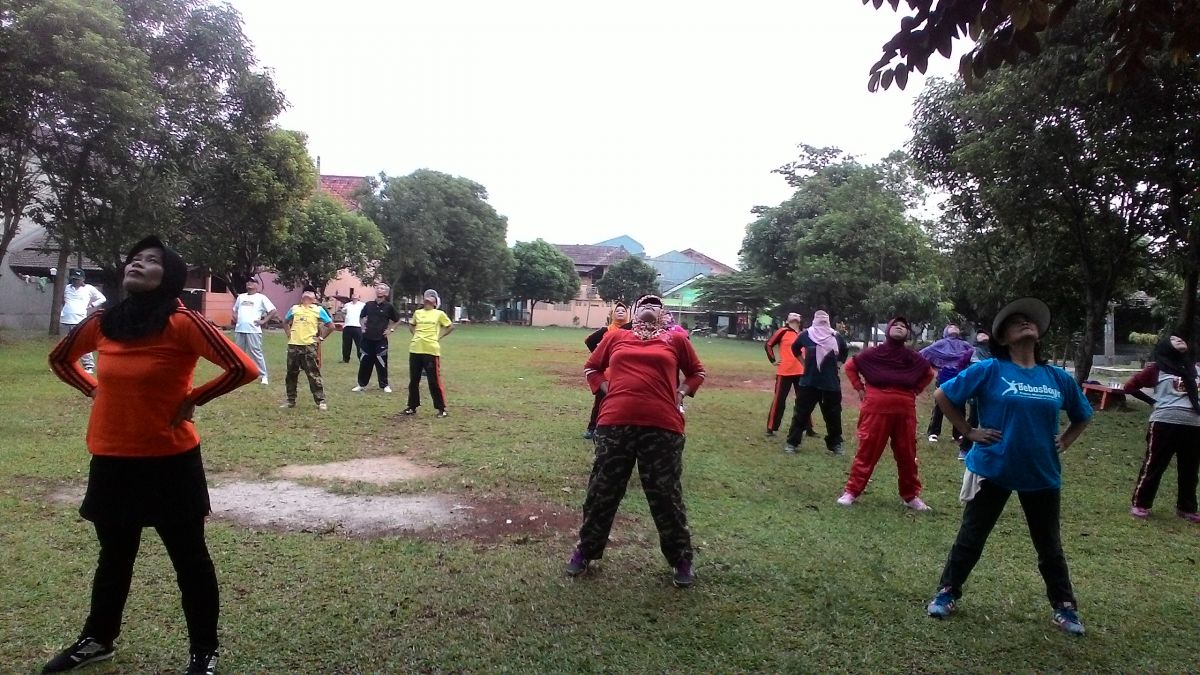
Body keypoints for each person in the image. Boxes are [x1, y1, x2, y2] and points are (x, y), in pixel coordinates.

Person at [45, 236, 258, 675]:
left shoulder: (183, 321)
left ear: (172, 276)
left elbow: (243, 368)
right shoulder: (105, 320)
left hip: (169, 461)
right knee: (114, 556)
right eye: (134, 259)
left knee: (190, 559)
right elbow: (61, 360)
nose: (137, 264)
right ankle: (98, 639)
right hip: (111, 457)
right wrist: (95, 389)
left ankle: (204, 652)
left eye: (151, 261)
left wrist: (194, 398)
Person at [925, 297, 1092, 636]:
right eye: (1016, 322)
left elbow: (1082, 414)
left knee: (1049, 545)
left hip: (1041, 472)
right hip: (992, 468)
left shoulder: (1056, 377)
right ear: (1002, 338)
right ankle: (947, 593)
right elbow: (943, 395)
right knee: (971, 537)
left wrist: (1066, 440)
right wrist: (969, 431)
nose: (1025, 323)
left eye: (1029, 321)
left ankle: (1065, 608)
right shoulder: (990, 369)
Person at [565, 294, 707, 587]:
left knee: (665, 494)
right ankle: (586, 551)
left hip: (663, 427)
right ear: (635, 312)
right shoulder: (617, 338)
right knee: (602, 490)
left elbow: (696, 372)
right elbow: (592, 367)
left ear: (662, 312)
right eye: (644, 305)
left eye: (655, 305)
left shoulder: (675, 340)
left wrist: (679, 394)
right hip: (614, 424)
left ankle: (681, 559)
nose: (649, 309)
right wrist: (609, 389)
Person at [839, 317, 934, 510]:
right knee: (867, 451)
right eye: (896, 325)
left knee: (907, 453)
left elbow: (929, 373)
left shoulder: (912, 357)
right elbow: (850, 367)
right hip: (876, 407)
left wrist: (915, 390)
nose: (900, 328)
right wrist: (859, 388)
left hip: (904, 409)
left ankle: (911, 496)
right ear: (888, 329)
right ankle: (852, 491)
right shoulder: (874, 353)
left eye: (904, 326)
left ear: (907, 333)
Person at [1121, 334, 1200, 523]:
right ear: (1165, 346)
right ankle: (1141, 504)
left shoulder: (1195, 370)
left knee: (1190, 469)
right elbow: (1130, 387)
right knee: (1154, 465)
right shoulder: (1157, 369)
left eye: (1182, 338)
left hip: (1194, 425)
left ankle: (1186, 508)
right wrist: (1152, 402)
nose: (1180, 339)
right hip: (1164, 423)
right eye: (1174, 339)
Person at [784, 310, 849, 455]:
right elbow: (795, 348)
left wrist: (838, 365)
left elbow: (844, 351)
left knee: (833, 415)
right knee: (801, 413)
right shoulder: (806, 335)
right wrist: (803, 363)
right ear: (814, 320)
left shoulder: (835, 336)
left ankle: (836, 444)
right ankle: (792, 442)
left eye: (824, 321)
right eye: (819, 321)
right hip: (809, 382)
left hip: (830, 383)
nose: (822, 324)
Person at [764, 313, 816, 438]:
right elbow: (768, 344)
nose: (794, 318)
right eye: (792, 316)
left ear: (800, 320)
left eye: (797, 316)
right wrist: (773, 360)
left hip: (801, 372)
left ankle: (809, 428)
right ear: (787, 320)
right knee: (779, 400)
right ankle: (771, 428)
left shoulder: (804, 333)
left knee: (803, 401)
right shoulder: (782, 331)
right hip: (784, 371)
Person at [920, 325, 974, 443]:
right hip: (944, 376)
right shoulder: (940, 344)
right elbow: (923, 354)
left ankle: (958, 433)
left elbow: (975, 357)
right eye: (951, 327)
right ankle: (933, 432)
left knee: (960, 406)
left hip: (960, 378)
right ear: (945, 331)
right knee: (939, 405)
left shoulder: (965, 345)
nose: (954, 328)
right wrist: (933, 367)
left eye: (956, 327)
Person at [404, 289, 454, 417]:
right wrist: (416, 335)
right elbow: (411, 325)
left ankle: (441, 408)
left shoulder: (439, 314)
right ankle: (412, 406)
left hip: (431, 350)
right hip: (415, 349)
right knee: (414, 380)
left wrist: (439, 337)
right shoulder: (418, 313)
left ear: (436, 302)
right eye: (426, 296)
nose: (428, 298)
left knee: (434, 381)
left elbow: (450, 326)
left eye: (432, 296)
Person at [583, 301, 629, 439]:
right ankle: (592, 428)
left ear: (627, 315)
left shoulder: (631, 330)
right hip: (608, 372)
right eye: (617, 311)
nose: (620, 312)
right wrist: (600, 357)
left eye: (623, 311)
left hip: (624, 371)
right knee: (601, 400)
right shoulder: (606, 330)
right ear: (613, 314)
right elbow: (589, 341)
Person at [282, 288, 333, 410]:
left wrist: (320, 338)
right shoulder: (295, 309)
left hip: (309, 346)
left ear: (314, 299)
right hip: (293, 346)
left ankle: (320, 400)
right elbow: (285, 322)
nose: (307, 294)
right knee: (291, 374)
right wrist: (289, 334)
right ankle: (290, 400)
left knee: (313, 374)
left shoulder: (318, 310)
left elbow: (331, 326)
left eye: (311, 293)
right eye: (305, 293)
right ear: (301, 297)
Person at [351, 284, 401, 393]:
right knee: (365, 362)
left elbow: (397, 320)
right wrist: (362, 327)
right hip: (367, 339)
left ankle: (384, 385)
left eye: (382, 288)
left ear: (386, 293)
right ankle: (361, 384)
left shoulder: (389, 307)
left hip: (381, 340)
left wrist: (390, 330)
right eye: (378, 288)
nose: (379, 290)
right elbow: (361, 317)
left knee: (382, 362)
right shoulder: (368, 305)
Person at [59, 268, 107, 374]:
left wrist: (91, 305)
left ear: (83, 279)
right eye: (74, 279)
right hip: (65, 319)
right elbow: (63, 300)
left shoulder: (89, 288)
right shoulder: (67, 288)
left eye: (78, 279)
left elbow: (102, 298)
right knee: (64, 343)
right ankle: (63, 363)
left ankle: (88, 365)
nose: (76, 281)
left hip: (80, 319)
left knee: (82, 342)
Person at [231, 278, 276, 385]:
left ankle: (263, 375)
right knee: (238, 353)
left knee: (256, 352)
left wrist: (263, 321)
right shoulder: (241, 297)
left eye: (252, 282)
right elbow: (234, 310)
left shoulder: (261, 298)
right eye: (248, 282)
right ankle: (240, 374)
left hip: (253, 330)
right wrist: (237, 319)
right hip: (240, 329)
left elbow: (273, 310)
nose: (249, 284)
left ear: (257, 285)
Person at [955, 331, 993, 460]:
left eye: (985, 333)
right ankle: (965, 449)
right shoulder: (971, 352)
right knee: (973, 419)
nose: (983, 335)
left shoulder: (995, 352)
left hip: (994, 392)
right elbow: (960, 366)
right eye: (980, 334)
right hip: (976, 392)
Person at [340, 295, 366, 363]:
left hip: (358, 326)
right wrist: (345, 319)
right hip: (347, 326)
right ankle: (345, 359)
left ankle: (361, 358)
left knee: (359, 344)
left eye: (356, 296)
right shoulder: (347, 305)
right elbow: (343, 312)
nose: (354, 297)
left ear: (359, 298)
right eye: (353, 296)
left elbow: (366, 315)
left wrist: (364, 325)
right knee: (346, 344)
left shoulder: (362, 305)